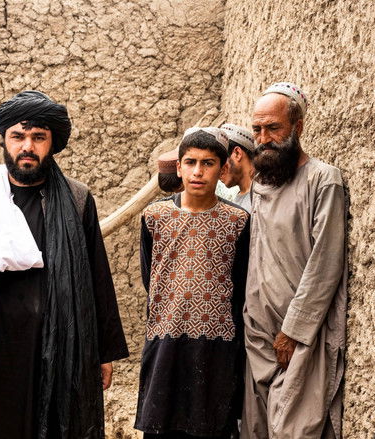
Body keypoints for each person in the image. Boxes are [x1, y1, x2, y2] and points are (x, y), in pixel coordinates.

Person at [0, 90, 129, 438]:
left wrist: (101, 352)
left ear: (52, 143)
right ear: (4, 140)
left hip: (58, 346)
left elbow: (96, 277)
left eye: (38, 137)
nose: (27, 146)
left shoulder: (77, 198)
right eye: (18, 136)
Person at [241, 82, 347, 439]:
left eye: (273, 128)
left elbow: (325, 265)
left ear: (297, 127)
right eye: (257, 129)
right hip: (258, 337)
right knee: (257, 429)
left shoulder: (322, 180)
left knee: (294, 430)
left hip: (299, 339)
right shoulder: (260, 184)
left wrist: (292, 331)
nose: (263, 138)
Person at [136, 127, 250, 439]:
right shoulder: (154, 217)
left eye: (208, 163)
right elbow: (151, 278)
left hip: (217, 347)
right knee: (162, 426)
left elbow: (241, 285)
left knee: (211, 427)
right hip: (165, 341)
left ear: (222, 170)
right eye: (190, 162)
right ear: (179, 167)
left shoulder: (239, 221)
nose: (198, 172)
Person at [219, 123, 255, 212]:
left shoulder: (264, 196)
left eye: (221, 162)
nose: (217, 171)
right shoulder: (236, 202)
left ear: (237, 153)